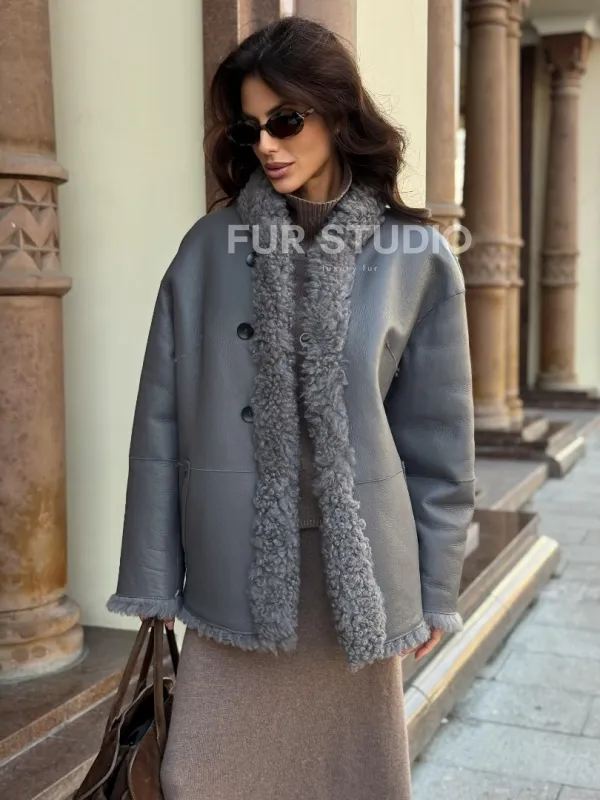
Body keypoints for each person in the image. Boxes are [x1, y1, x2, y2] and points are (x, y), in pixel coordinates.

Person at [107, 15, 475, 800]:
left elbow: (439, 447)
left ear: (337, 113)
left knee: (347, 779)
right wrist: (152, 581)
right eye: (251, 129)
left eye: (286, 121)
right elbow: (159, 426)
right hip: (228, 570)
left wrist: (436, 589)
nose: (267, 145)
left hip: (358, 580)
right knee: (199, 776)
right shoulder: (206, 251)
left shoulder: (415, 258)